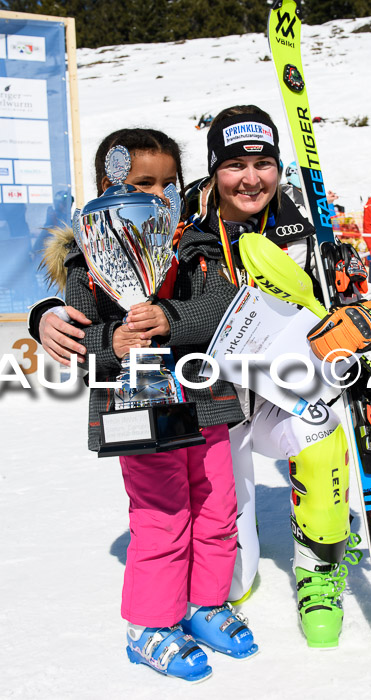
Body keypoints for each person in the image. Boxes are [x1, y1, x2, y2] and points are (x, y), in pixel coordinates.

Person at [31, 108, 371, 650]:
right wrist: (60, 321)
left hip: (231, 402)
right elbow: (82, 320)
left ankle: (313, 563)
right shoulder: (131, 243)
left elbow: (256, 304)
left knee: (231, 498)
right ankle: (155, 620)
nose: (250, 178)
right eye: (234, 165)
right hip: (152, 404)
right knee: (173, 521)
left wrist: (362, 335)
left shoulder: (258, 232)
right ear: (212, 172)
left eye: (263, 163)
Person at [31, 128, 258, 683]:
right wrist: (110, 343)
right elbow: (80, 342)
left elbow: (224, 309)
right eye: (141, 182)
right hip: (137, 406)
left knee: (216, 505)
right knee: (162, 516)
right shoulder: (89, 259)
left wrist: (172, 320)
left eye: (167, 183)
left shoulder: (196, 244)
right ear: (109, 186)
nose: (157, 194)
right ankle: (150, 626)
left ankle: (205, 604)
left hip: (205, 399)